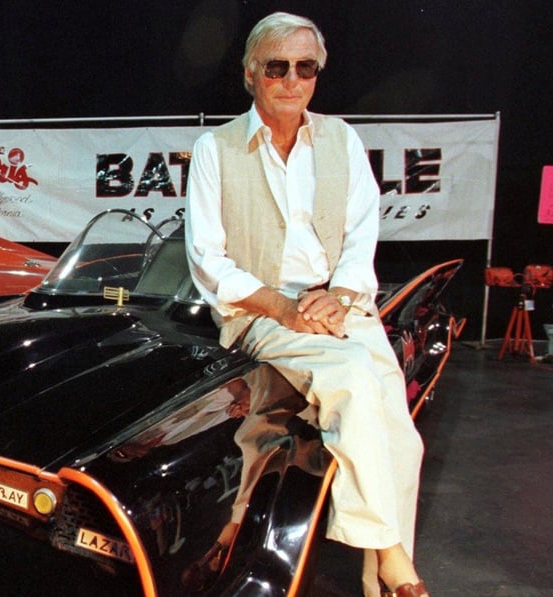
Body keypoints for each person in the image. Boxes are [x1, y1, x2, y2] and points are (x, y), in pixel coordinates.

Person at [184, 12, 430, 597]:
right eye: (277, 66)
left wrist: (340, 296)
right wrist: (285, 307)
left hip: (337, 305)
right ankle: (392, 557)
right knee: (353, 379)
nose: (292, 80)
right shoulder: (215, 148)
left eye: (305, 67)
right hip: (262, 312)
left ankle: (381, 581)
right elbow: (207, 260)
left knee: (401, 434)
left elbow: (360, 235)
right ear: (250, 74)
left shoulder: (340, 138)